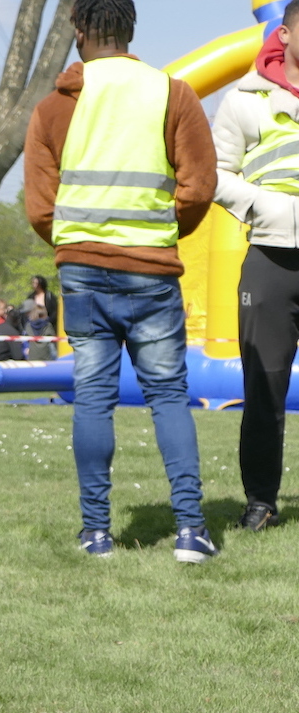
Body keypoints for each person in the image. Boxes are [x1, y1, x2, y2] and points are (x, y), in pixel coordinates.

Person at [26, 0, 217, 560]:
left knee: (92, 398)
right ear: (131, 29)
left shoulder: (54, 108)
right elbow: (199, 186)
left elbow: (41, 207)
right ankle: (190, 531)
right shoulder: (173, 94)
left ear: (78, 30)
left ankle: (96, 533)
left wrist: (77, 242)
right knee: (169, 395)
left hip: (83, 273)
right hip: (152, 270)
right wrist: (160, 231)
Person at [213, 0, 299, 533]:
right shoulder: (244, 98)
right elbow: (215, 173)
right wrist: (264, 207)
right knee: (265, 387)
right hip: (270, 257)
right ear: (284, 34)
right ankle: (261, 502)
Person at [21, 274, 59, 360]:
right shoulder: (31, 296)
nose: (34, 285)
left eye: (36, 283)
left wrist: (49, 321)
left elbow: (55, 310)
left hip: (47, 324)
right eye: (33, 283)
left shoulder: (49, 296)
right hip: (33, 324)